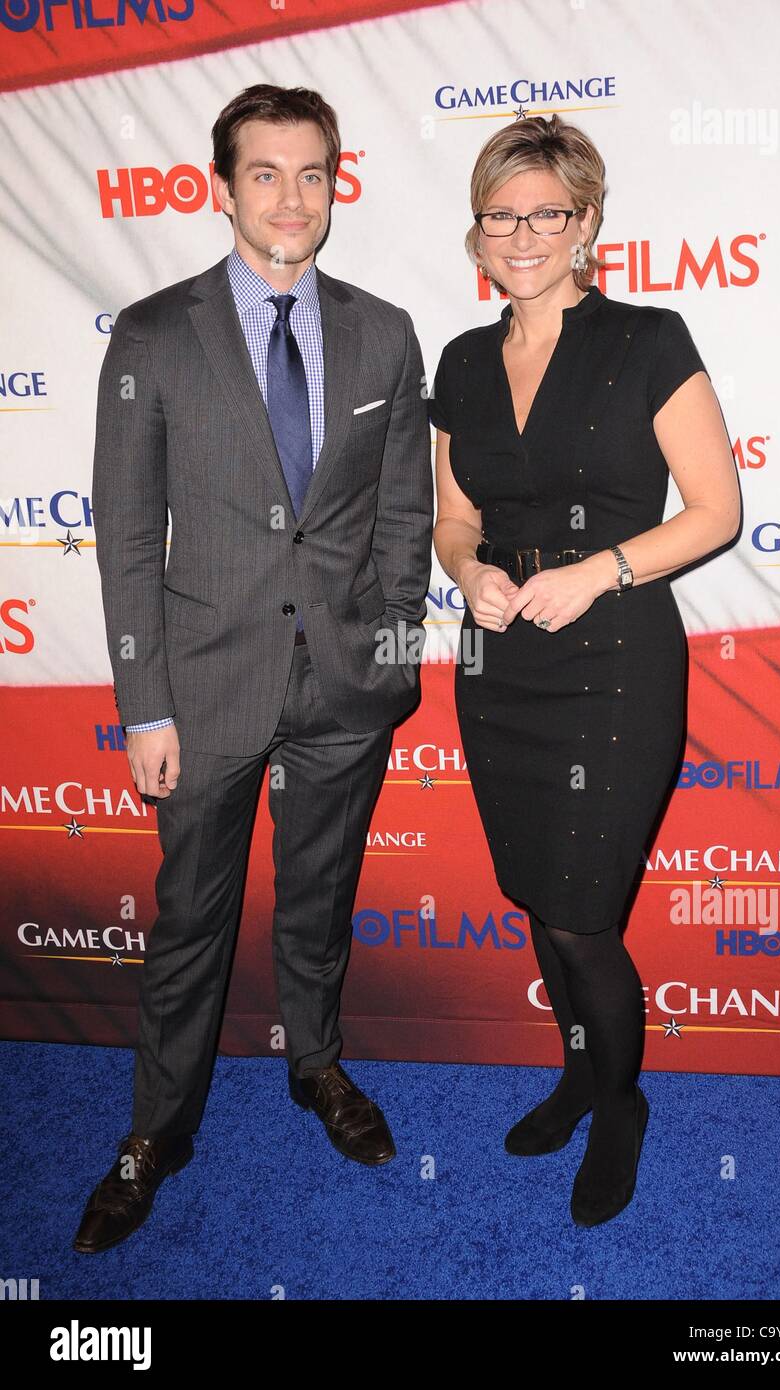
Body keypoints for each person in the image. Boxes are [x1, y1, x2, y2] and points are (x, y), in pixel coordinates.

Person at [76, 84, 433, 1254]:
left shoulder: (384, 333)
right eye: (266, 173)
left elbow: (405, 518)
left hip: (345, 687)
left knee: (319, 900)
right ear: (221, 188)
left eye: (312, 173)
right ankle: (155, 1131)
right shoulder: (152, 334)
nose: (292, 197)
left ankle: (316, 1064)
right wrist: (145, 705)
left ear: (336, 184)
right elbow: (129, 537)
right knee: (192, 919)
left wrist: (390, 663)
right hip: (205, 686)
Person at [430, 115, 740, 1228]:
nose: (521, 235)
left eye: (545, 213)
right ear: (477, 230)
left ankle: (620, 1105)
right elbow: (453, 517)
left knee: (579, 914)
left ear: (587, 223)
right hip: (500, 662)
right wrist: (469, 571)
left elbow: (716, 510)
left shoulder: (648, 339)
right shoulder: (462, 362)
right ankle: (576, 1072)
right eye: (500, 215)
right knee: (537, 894)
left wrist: (598, 571)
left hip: (612, 659)